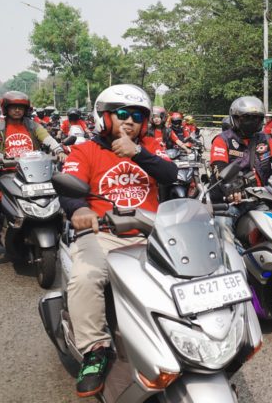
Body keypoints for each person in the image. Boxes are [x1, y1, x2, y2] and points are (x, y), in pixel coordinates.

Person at [59, 84, 179, 397]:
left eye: (137, 116)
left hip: (152, 233)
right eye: (122, 114)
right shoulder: (85, 150)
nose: (129, 121)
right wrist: (79, 209)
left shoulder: (150, 145)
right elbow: (69, 188)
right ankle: (95, 350)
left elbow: (170, 174)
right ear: (104, 116)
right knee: (86, 277)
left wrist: (138, 153)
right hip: (104, 235)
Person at [0, 91, 67, 268]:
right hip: (7, 173)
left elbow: (48, 139)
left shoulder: (33, 126)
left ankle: (67, 237)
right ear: (6, 109)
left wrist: (59, 151)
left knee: (63, 197)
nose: (17, 110)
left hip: (36, 172)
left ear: (26, 109)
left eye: (21, 107)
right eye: (14, 107)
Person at [209, 96, 272, 243]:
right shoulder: (222, 140)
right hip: (230, 201)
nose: (251, 122)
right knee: (222, 226)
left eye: (256, 118)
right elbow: (218, 166)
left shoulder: (264, 139)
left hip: (261, 198)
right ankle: (231, 257)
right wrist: (232, 186)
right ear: (235, 118)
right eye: (246, 118)